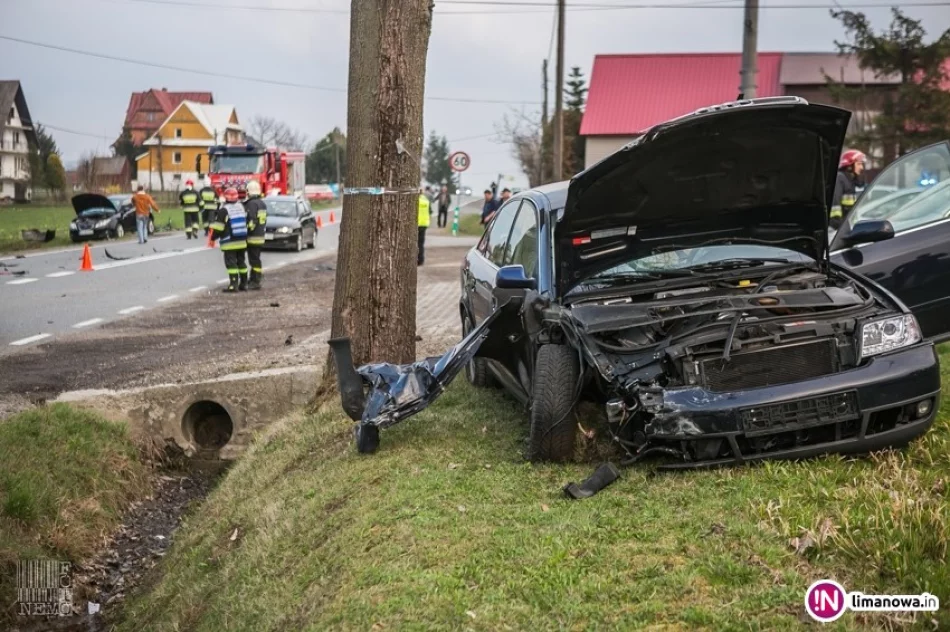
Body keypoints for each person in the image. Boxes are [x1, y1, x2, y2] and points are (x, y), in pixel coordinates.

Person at [209, 187, 249, 292]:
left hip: (230, 242)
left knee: (231, 264)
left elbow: (219, 228)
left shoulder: (224, 210)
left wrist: (213, 238)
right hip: (242, 240)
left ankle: (233, 285)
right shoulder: (242, 207)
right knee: (241, 263)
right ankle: (244, 284)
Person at [831, 149, 866, 230]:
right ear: (849, 166)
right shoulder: (840, 178)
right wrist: (838, 226)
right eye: (859, 164)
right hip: (837, 229)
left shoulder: (850, 180)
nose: (861, 167)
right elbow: (835, 206)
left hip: (847, 226)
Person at [243, 180, 267, 290]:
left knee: (254, 260)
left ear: (249, 192)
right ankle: (254, 278)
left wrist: (246, 232)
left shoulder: (251, 204)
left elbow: (251, 221)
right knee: (255, 258)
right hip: (260, 236)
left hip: (253, 237)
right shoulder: (262, 203)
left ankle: (256, 281)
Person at [418, 189, 431, 266]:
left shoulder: (415, 200)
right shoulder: (425, 199)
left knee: (415, 243)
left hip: (417, 224)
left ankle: (416, 259)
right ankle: (421, 260)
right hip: (424, 224)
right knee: (421, 243)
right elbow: (430, 211)